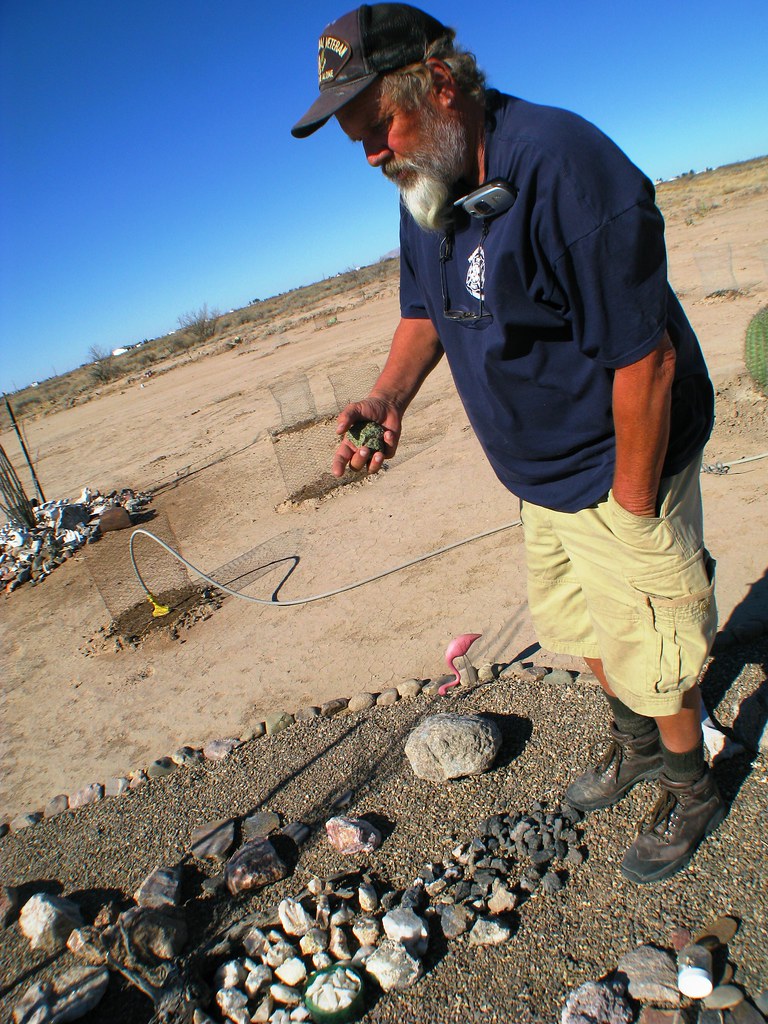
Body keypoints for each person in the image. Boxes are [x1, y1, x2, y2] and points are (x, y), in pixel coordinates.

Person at [291, 3, 725, 884]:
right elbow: (424, 312)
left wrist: (636, 508)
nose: (374, 155)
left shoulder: (566, 169)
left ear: (440, 84)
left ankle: (692, 784)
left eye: (379, 126)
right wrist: (387, 395)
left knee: (655, 644)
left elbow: (647, 360)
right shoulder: (428, 185)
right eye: (357, 143)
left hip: (618, 463)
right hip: (541, 476)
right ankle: (635, 747)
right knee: (586, 626)